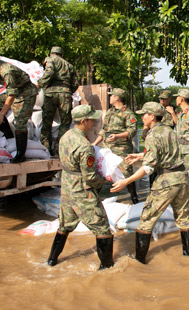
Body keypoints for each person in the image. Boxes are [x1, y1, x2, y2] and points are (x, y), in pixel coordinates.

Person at [110, 102, 189, 264]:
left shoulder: (153, 135)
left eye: (144, 114)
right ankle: (188, 257)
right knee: (183, 219)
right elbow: (164, 152)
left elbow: (148, 168)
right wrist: (140, 155)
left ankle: (139, 263)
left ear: (152, 116)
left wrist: (127, 181)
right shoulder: (170, 131)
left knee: (146, 220)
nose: (142, 117)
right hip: (182, 178)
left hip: (166, 181)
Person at [46, 105, 114, 270]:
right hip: (82, 192)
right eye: (92, 119)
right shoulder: (85, 146)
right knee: (102, 227)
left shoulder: (66, 136)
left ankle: (51, 261)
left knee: (64, 226)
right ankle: (107, 268)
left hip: (67, 188)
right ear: (83, 121)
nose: (94, 122)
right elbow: (90, 177)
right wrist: (106, 180)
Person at [92, 88, 139, 204]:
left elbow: (132, 130)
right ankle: (94, 196)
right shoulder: (109, 112)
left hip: (121, 147)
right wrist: (94, 143)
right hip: (107, 146)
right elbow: (104, 130)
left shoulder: (128, 113)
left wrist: (117, 136)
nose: (110, 98)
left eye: (112, 96)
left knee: (126, 171)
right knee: (101, 170)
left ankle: (133, 196)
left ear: (117, 97)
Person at [36, 46, 79, 156]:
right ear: (62, 55)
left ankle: (46, 149)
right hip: (65, 94)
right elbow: (75, 84)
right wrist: (68, 91)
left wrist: (40, 84)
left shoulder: (50, 59)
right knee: (65, 122)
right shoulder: (69, 65)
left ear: (51, 54)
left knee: (47, 122)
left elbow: (49, 73)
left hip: (51, 93)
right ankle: (59, 149)